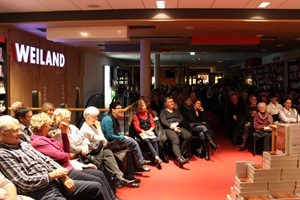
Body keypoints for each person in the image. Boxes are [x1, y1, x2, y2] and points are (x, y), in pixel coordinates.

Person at [0, 115, 110, 200]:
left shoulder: (23, 144)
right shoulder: (3, 153)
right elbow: (23, 182)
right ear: (3, 133)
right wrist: (53, 175)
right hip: (40, 190)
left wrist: (63, 177)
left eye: (19, 129)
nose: (20, 133)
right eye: (15, 131)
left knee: (96, 187)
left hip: (57, 179)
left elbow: (47, 160)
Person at [30, 112, 118, 200]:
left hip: (71, 164)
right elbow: (62, 156)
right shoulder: (38, 142)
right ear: (43, 126)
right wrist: (72, 154)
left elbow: (65, 149)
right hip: (65, 170)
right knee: (97, 181)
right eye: (49, 124)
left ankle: (113, 198)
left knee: (100, 173)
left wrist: (64, 133)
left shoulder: (48, 137)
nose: (50, 126)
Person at [51, 108, 136, 188]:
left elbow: (84, 139)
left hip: (88, 149)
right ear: (61, 119)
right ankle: (118, 177)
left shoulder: (73, 127)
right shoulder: (59, 133)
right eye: (67, 118)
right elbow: (72, 148)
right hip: (79, 155)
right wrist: (83, 147)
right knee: (107, 150)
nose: (69, 119)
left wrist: (85, 145)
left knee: (111, 151)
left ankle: (119, 177)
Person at [101, 102, 151, 172]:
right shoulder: (108, 119)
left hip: (114, 139)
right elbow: (109, 136)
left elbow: (116, 133)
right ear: (113, 110)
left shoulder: (113, 118)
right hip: (110, 142)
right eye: (118, 108)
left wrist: (122, 136)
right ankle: (141, 163)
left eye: (121, 108)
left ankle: (138, 164)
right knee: (133, 142)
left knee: (132, 141)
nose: (121, 110)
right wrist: (122, 137)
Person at [159, 97, 192, 168]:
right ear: (166, 104)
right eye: (170, 102)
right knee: (175, 139)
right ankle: (180, 159)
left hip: (177, 125)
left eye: (173, 101)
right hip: (168, 128)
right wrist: (172, 127)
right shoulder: (163, 111)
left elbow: (181, 118)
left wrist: (176, 124)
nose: (172, 103)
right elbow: (163, 121)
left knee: (188, 136)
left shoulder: (176, 110)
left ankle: (181, 154)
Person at [132, 99, 162, 169]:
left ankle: (155, 159)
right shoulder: (136, 116)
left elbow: (153, 125)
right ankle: (156, 157)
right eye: (143, 106)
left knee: (154, 139)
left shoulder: (149, 114)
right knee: (146, 140)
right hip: (141, 132)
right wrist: (144, 132)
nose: (145, 107)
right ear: (140, 108)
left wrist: (150, 130)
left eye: (145, 105)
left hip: (149, 131)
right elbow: (136, 127)